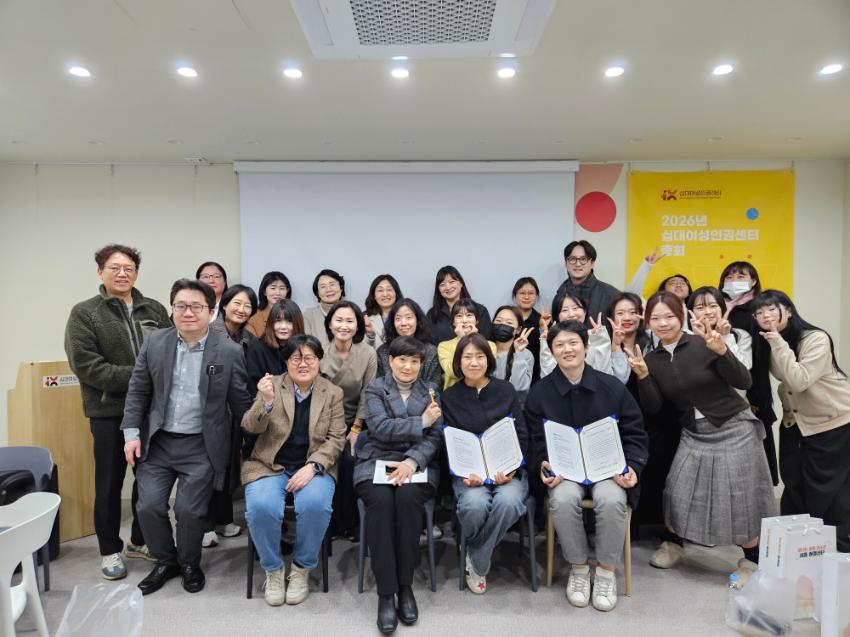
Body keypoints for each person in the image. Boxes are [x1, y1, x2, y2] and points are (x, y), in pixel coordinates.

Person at [627, 291, 775, 580]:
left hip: (734, 428)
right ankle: (675, 544)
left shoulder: (703, 341)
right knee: (676, 490)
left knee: (739, 497)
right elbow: (655, 407)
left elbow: (744, 381)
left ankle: (751, 559)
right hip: (694, 433)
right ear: (648, 323)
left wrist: (722, 351)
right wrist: (643, 376)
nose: (663, 323)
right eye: (655, 318)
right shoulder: (651, 359)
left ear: (681, 316)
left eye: (669, 316)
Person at [121, 279, 252, 596]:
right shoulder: (155, 342)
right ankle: (166, 561)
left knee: (190, 511)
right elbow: (137, 391)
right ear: (172, 309)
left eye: (196, 306)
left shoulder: (229, 351)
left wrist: (257, 436)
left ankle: (190, 563)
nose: (188, 312)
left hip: (201, 445)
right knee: (148, 507)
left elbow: (240, 403)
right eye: (181, 305)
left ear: (211, 311)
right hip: (158, 441)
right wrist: (131, 434)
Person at [64, 243, 171, 580]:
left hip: (151, 413)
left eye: (129, 268)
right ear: (100, 271)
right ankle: (109, 549)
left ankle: (139, 540)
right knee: (109, 485)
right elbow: (87, 366)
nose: (122, 273)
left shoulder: (154, 309)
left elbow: (169, 353)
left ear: (136, 273)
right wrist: (141, 377)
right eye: (114, 267)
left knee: (149, 482)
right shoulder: (85, 313)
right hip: (109, 412)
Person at [526, 320, 648, 612]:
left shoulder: (612, 386)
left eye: (573, 343)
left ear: (586, 346)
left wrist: (632, 467)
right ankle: (579, 568)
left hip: (607, 470)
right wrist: (542, 463)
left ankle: (605, 572)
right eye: (559, 345)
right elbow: (533, 439)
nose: (567, 349)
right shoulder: (540, 392)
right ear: (551, 351)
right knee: (563, 499)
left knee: (612, 499)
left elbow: (635, 432)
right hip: (565, 472)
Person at [241, 334, 346, 606]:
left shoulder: (332, 392)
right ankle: (273, 570)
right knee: (261, 507)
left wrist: (313, 466)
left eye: (309, 357)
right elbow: (249, 427)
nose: (303, 364)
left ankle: (301, 568)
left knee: (315, 505)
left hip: (312, 466)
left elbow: (336, 439)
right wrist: (265, 402)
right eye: (296, 358)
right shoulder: (272, 385)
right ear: (286, 361)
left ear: (319, 361)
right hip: (269, 464)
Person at [354, 336, 443, 633]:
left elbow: (436, 437)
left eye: (414, 361)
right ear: (390, 361)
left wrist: (412, 461)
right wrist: (422, 422)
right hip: (375, 460)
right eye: (402, 360)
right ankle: (385, 593)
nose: (408, 366)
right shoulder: (375, 388)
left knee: (406, 501)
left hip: (415, 464)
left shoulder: (430, 391)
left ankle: (405, 587)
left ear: (421, 364)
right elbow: (379, 428)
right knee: (381, 502)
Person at [752, 290, 850, 552]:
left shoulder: (815, 338)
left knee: (831, 490)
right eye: (759, 312)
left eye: (771, 309)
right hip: (795, 423)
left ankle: (838, 548)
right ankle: (797, 546)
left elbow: (799, 380)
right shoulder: (771, 341)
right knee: (794, 483)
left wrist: (777, 342)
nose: (765, 315)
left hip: (833, 422)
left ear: (788, 311)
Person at [442, 333, 530, 594]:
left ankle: (475, 555)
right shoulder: (449, 397)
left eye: (480, 356)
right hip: (469, 474)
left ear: (488, 360)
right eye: (467, 357)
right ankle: (480, 549)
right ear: (458, 362)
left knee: (509, 502)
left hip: (507, 470)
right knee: (474, 504)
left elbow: (521, 434)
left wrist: (512, 468)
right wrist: (465, 472)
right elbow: (448, 442)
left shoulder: (505, 390)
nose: (474, 362)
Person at [608, 292, 677, 533]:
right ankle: (630, 527)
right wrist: (615, 347)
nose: (627, 317)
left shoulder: (652, 341)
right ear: (611, 317)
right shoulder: (603, 344)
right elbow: (615, 384)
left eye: (632, 312)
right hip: (621, 420)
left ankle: (659, 526)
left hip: (655, 415)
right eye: (620, 313)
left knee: (657, 469)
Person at [204, 284, 258, 547]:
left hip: (237, 409)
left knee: (227, 465)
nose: (241, 309)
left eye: (247, 305)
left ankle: (223, 518)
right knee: (209, 466)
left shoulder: (248, 338)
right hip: (212, 411)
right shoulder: (208, 332)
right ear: (224, 305)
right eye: (237, 303)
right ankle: (205, 525)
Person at [321, 300, 378, 540]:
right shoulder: (320, 351)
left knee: (352, 459)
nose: (344, 326)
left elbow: (368, 392)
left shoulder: (367, 353)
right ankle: (331, 523)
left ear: (358, 326)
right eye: (339, 320)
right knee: (330, 460)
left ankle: (352, 522)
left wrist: (355, 427)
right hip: (324, 422)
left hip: (357, 421)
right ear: (330, 324)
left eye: (349, 321)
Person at [719, 261, 778, 485]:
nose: (734, 280)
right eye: (730, 276)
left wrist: (754, 396)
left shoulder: (759, 309)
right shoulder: (718, 307)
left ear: (753, 281)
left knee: (758, 441)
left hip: (754, 386)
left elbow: (761, 357)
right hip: (722, 390)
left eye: (741, 275)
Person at [539, 290, 611, 377]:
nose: (571, 314)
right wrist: (546, 343)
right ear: (557, 316)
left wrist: (600, 339)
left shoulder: (596, 336)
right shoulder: (554, 340)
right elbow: (547, 376)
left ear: (584, 311)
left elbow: (604, 374)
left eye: (575, 308)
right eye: (564, 310)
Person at [376, 299, 441, 388]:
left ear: (418, 320)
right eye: (398, 318)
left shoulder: (430, 351)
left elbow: (434, 384)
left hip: (424, 396)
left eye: (408, 317)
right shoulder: (382, 351)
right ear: (392, 323)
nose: (403, 323)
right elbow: (379, 385)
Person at [246, 300, 305, 395]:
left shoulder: (306, 348)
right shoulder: (257, 349)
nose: (283, 327)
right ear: (271, 323)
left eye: (289, 321)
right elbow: (252, 388)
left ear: (297, 323)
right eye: (278, 321)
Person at [436, 299, 497, 391]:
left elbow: (485, 371)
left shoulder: (490, 345)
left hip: (482, 392)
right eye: (459, 316)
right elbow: (453, 372)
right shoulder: (444, 346)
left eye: (469, 315)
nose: (464, 320)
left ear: (477, 320)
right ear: (453, 322)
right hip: (454, 394)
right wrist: (463, 339)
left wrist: (472, 338)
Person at [688, 286, 752, 372]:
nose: (708, 312)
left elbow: (745, 368)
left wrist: (726, 337)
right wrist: (698, 338)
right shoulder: (684, 337)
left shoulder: (741, 335)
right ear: (691, 312)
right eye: (700, 308)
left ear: (722, 308)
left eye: (713, 306)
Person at [554, 240, 620, 320]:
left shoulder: (612, 295)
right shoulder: (560, 294)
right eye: (572, 259)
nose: (578, 264)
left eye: (583, 259)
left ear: (592, 263)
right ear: (565, 263)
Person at [427, 265, 491, 342]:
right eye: (442, 284)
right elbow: (429, 343)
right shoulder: (432, 314)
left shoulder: (480, 310)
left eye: (452, 282)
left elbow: (486, 341)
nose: (447, 287)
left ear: (461, 283)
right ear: (438, 289)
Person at [490, 305, 534, 396]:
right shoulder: (484, 349)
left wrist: (519, 354)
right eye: (498, 321)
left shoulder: (525, 355)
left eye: (509, 322)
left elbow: (519, 388)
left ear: (518, 330)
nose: (502, 325)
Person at [303, 269, 345, 347]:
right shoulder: (308, 315)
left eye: (332, 284)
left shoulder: (353, 312)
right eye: (323, 287)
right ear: (317, 293)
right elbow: (306, 345)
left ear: (341, 288)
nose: (328, 289)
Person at [512, 277, 543, 382]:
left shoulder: (543, 321)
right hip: (510, 372)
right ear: (515, 296)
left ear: (536, 296)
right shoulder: (507, 319)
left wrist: (543, 328)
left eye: (531, 293)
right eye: (522, 293)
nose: (526, 297)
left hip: (537, 376)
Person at [246, 271, 292, 338]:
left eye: (282, 288)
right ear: (264, 291)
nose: (278, 293)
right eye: (273, 288)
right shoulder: (254, 317)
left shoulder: (294, 314)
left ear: (287, 291)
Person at [364, 274, 403, 351]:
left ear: (396, 293)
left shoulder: (406, 316)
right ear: (374, 295)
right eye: (380, 290)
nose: (385, 294)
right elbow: (362, 349)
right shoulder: (365, 318)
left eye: (389, 289)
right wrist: (370, 335)